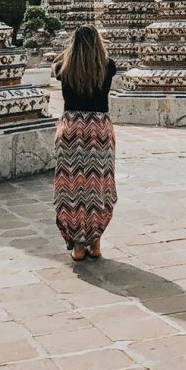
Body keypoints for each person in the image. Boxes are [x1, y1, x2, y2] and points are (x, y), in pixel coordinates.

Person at [52, 26, 118, 261]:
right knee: (98, 187)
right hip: (98, 129)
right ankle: (96, 242)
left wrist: (71, 51)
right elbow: (108, 59)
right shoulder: (107, 67)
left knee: (70, 188)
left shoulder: (64, 67)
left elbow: (56, 64)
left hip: (71, 128)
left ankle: (78, 246)